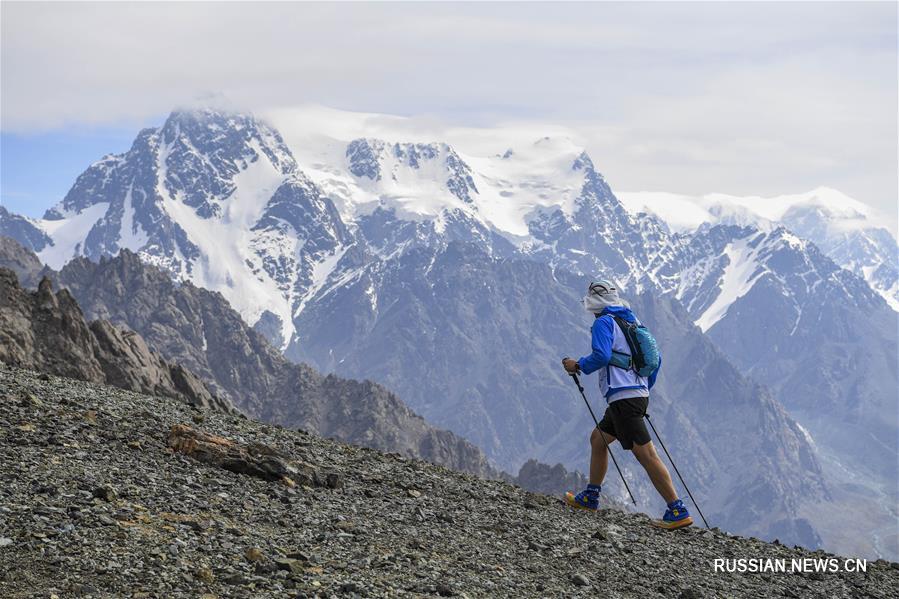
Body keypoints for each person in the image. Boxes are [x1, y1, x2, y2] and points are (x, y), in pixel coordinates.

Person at [562, 279, 692, 529]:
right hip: (636, 394)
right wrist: (642, 390)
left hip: (623, 397)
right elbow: (654, 359)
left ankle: (677, 508)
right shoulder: (632, 321)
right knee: (598, 439)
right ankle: (591, 495)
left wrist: (577, 365)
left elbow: (602, 355)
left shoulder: (603, 322)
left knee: (646, 454)